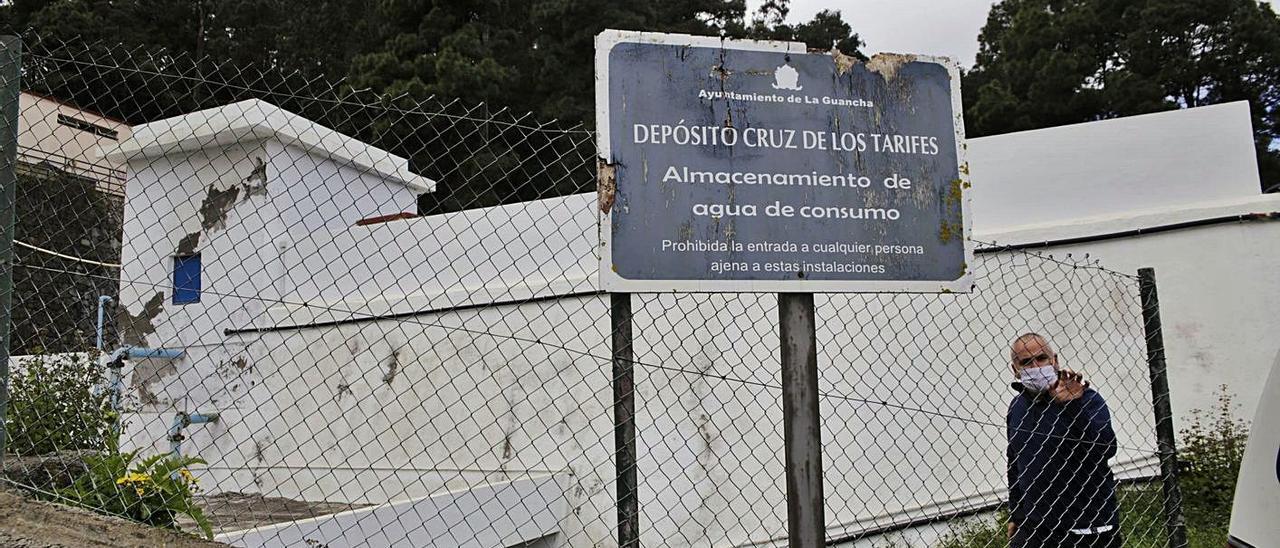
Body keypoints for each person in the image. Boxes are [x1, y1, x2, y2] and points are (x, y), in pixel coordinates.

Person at [1005, 333, 1121, 548]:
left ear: (1055, 361)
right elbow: (1015, 463)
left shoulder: (1087, 400)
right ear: (1015, 369)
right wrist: (1017, 514)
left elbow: (1105, 449)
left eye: (1041, 358)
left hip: (1086, 526)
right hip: (1036, 527)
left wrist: (1071, 407)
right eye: (1026, 362)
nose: (1036, 366)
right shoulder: (1017, 408)